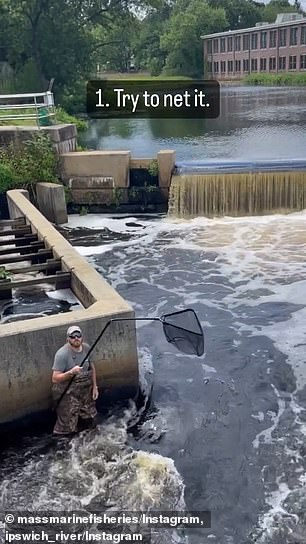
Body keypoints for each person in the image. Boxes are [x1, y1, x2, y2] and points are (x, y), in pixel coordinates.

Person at [51, 325, 99, 435]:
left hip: (85, 390)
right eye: (72, 336)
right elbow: (55, 378)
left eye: (78, 335)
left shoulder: (87, 348)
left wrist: (95, 387)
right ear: (68, 339)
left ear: (82, 337)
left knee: (91, 418)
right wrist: (71, 372)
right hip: (67, 392)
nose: (76, 338)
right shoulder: (62, 354)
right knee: (67, 426)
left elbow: (92, 367)